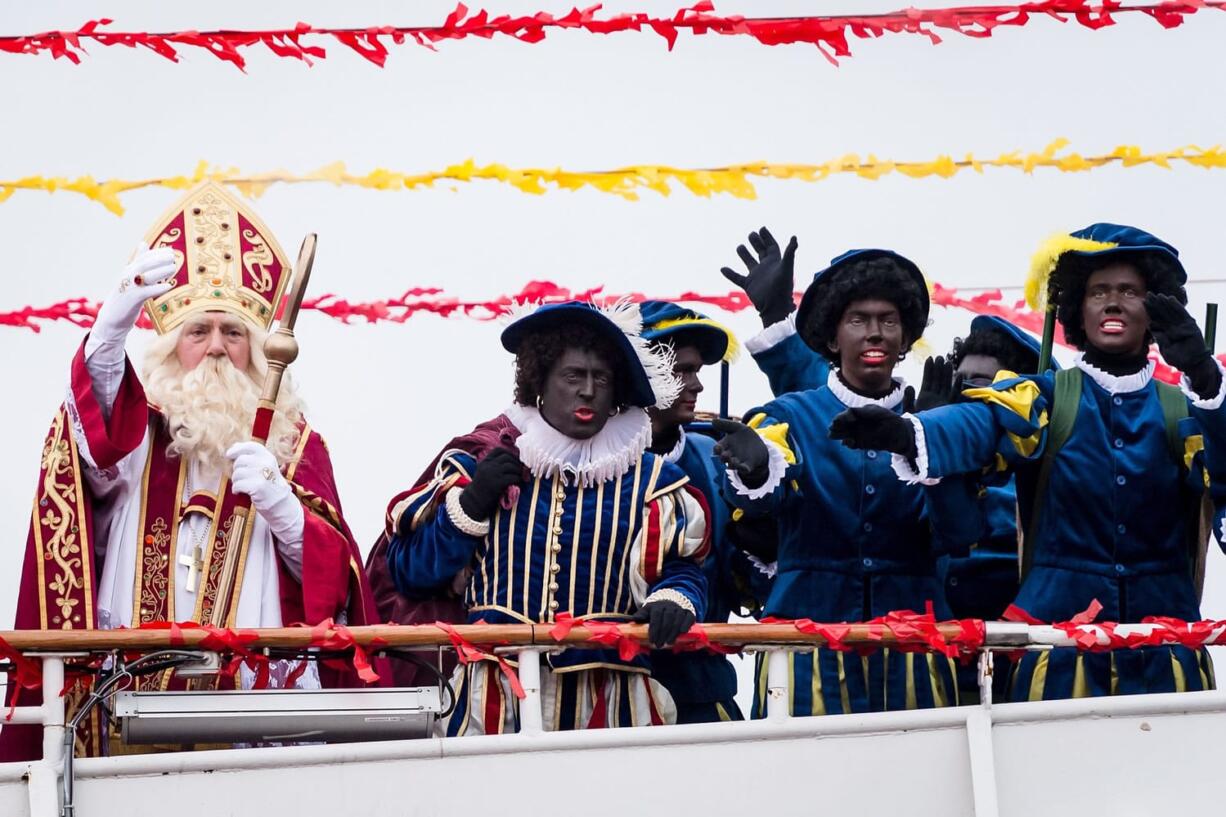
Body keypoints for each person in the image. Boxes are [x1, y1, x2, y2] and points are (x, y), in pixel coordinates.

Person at [1, 182, 381, 761]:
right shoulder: (139, 429)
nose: (215, 348)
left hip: (252, 716)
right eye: (197, 332)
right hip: (125, 707)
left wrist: (282, 507)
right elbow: (89, 453)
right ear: (171, 344)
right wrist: (109, 333)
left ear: (255, 349)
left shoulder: (294, 443)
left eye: (233, 333)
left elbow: (334, 583)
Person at [831, 223, 1226, 700]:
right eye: (1099, 291)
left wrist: (1204, 375)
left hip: (1168, 656)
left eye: (1129, 291)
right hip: (1055, 657)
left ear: (1156, 308)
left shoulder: (1184, 407)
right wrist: (911, 432)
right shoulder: (1044, 398)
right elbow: (983, 422)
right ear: (1078, 307)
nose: (1113, 302)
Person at [386, 300, 709, 734]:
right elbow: (409, 573)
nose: (588, 391)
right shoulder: (479, 463)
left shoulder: (654, 481)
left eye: (602, 378)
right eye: (573, 376)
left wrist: (675, 598)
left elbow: (684, 570)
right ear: (540, 382)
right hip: (492, 703)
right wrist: (471, 504)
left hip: (611, 702)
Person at [712, 244, 978, 717]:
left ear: (906, 337)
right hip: (806, 657)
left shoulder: (936, 422)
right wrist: (754, 468)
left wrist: (935, 447)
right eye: (858, 319)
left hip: (912, 660)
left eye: (889, 320)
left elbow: (958, 534)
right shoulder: (788, 415)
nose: (875, 332)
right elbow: (756, 499)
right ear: (832, 339)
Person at [638, 300, 743, 723]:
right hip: (611, 689)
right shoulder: (587, 462)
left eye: (697, 371)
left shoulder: (718, 457)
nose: (696, 385)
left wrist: (760, 503)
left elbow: (746, 582)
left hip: (702, 686)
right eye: (680, 371)